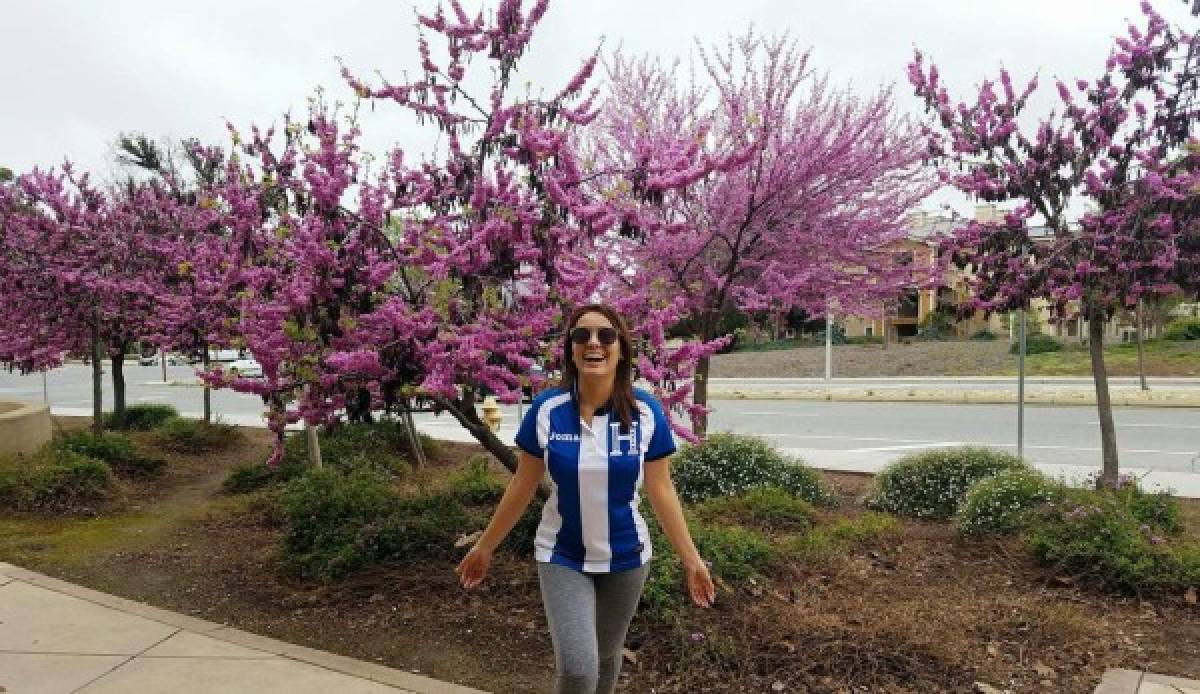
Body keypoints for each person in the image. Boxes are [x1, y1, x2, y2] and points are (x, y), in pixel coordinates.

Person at [455, 303, 715, 694]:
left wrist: (692, 560)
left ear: (622, 349)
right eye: (582, 335)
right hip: (562, 555)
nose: (594, 343)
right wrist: (484, 547)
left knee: (607, 657)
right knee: (578, 668)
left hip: (626, 557)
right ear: (572, 350)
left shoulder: (646, 413)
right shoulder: (548, 410)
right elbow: (523, 485)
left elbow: (661, 489)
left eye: (605, 335)